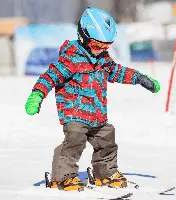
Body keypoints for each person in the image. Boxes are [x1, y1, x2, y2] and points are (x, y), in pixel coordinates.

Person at [24, 7, 160, 191]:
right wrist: (37, 95)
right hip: (74, 113)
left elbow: (117, 71)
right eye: (97, 46)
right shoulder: (70, 60)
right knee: (75, 141)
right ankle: (63, 177)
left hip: (97, 114)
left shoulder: (103, 59)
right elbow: (49, 77)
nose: (100, 50)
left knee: (107, 140)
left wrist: (140, 78)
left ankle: (105, 175)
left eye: (105, 47)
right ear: (83, 37)